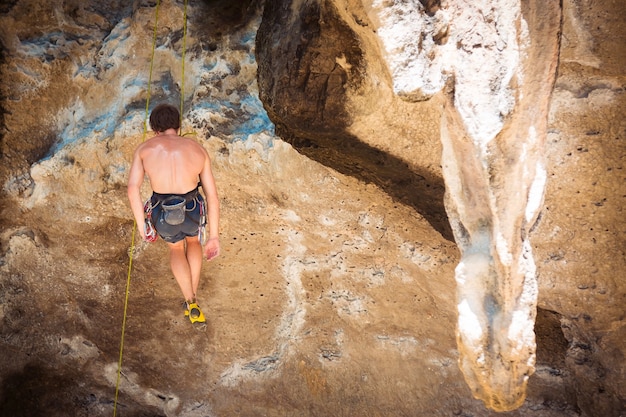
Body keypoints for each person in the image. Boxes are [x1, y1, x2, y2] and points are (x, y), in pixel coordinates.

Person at [127, 103, 220, 324]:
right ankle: (192, 301)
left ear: (154, 128)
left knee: (176, 249)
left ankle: (190, 299)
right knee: (194, 243)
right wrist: (214, 236)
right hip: (192, 209)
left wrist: (142, 226)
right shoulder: (197, 149)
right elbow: (212, 196)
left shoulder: (144, 150)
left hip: (162, 212)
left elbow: (132, 188)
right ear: (178, 125)